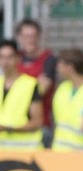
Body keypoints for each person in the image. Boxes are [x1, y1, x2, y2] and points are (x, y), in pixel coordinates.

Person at [15, 18, 57, 146]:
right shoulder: (15, 58)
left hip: (41, 123)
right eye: (26, 36)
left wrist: (17, 89)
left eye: (33, 36)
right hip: (16, 123)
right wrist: (35, 83)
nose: (30, 40)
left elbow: (42, 90)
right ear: (19, 37)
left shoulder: (48, 59)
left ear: (39, 36)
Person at [0, 39, 44, 150]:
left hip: (24, 150)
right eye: (2, 57)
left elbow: (37, 122)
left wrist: (8, 128)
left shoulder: (30, 84)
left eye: (9, 57)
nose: (5, 61)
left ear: (17, 58)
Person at [51, 49, 83, 151]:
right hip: (58, 152)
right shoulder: (62, 88)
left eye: (60, 64)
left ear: (70, 67)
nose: (57, 68)